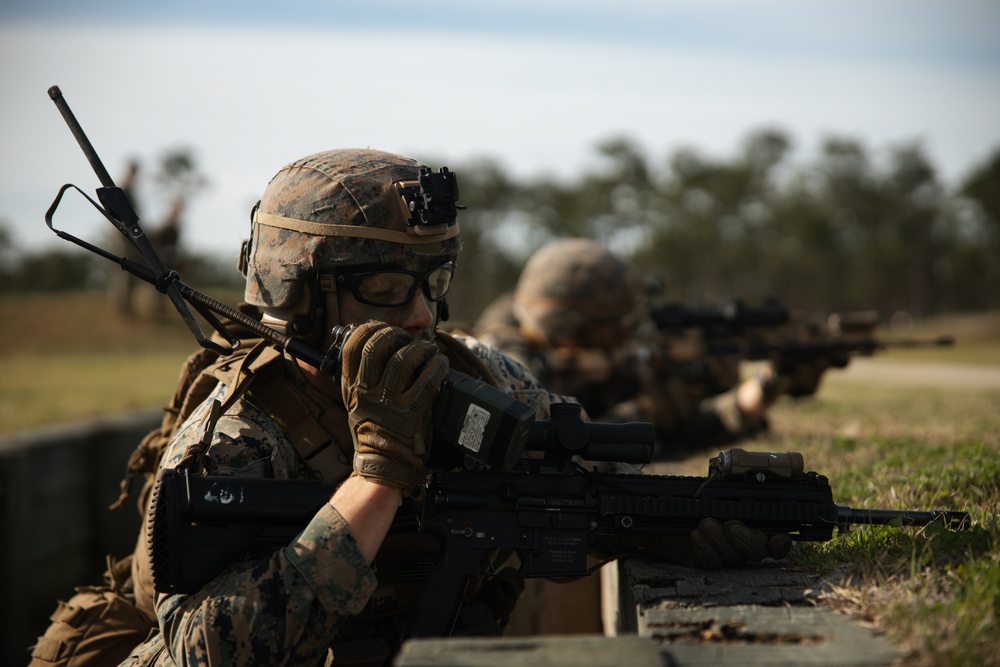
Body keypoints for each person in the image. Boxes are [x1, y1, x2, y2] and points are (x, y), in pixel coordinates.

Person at [30, 150, 789, 667]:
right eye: (389, 291)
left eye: (433, 283)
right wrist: (378, 477)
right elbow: (206, 648)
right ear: (301, 296)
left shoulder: (475, 373)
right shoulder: (237, 432)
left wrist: (685, 522)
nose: (423, 316)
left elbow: (571, 483)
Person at [474, 238, 803, 459]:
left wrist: (761, 390)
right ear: (569, 327)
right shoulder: (502, 362)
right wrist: (642, 414)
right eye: (614, 324)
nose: (627, 333)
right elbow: (555, 450)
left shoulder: (605, 361)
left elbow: (682, 428)